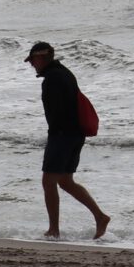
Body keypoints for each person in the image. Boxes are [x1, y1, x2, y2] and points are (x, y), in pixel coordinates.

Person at [24, 41, 111, 239]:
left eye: (32, 61)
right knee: (65, 181)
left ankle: (53, 230)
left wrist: (55, 136)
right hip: (75, 134)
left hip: (63, 135)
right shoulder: (64, 73)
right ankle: (100, 216)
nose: (32, 65)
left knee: (48, 181)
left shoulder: (53, 78)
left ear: (40, 58)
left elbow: (57, 112)